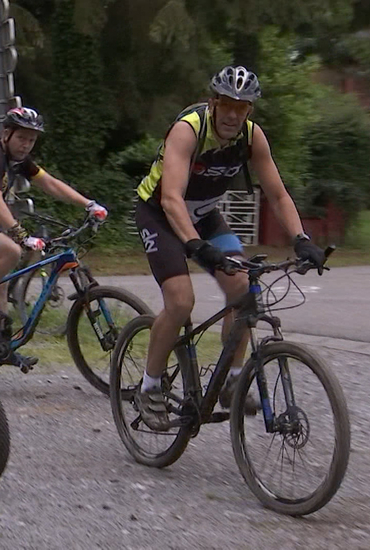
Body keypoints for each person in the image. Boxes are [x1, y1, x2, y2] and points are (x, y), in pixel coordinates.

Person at [133, 66, 326, 430]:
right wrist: (194, 245)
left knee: (242, 288)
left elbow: (278, 193)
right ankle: (150, 387)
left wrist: (301, 239)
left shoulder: (252, 137)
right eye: (227, 104)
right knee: (180, 302)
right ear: (214, 103)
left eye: (243, 107)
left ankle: (234, 378)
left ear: (249, 110)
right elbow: (172, 198)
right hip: (159, 213)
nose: (234, 114)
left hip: (204, 215)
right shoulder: (188, 130)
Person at [0, 106, 108, 367]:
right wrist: (22, 235)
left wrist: (89, 204)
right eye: (21, 138)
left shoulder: (16, 160)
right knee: (11, 251)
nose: (26, 145)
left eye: (31, 140)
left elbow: (49, 183)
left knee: (0, 281)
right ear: (6, 133)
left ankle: (2, 346)